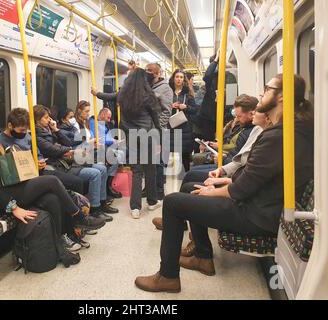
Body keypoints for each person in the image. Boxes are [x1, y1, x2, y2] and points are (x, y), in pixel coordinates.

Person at [135, 74, 314, 293]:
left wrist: (212, 191)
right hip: (261, 205)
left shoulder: (279, 136)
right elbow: (253, 178)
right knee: (192, 188)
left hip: (256, 214)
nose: (261, 93)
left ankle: (168, 276)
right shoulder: (289, 131)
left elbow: (241, 189)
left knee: (173, 202)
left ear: (282, 97)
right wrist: (214, 187)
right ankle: (203, 257)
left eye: (267, 89)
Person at [0, 106, 81, 266]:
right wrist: (13, 207)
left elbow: (1, 175)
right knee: (51, 181)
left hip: (1, 191)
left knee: (51, 199)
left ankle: (60, 250)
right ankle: (78, 215)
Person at [0, 108, 105, 233]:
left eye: (26, 130)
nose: (24, 133)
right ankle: (78, 220)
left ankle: (76, 226)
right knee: (54, 185)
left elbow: (37, 154)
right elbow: (4, 169)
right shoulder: (0, 142)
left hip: (39, 171)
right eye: (21, 130)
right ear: (10, 126)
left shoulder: (27, 136)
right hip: (21, 181)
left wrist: (39, 161)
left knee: (74, 183)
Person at [34, 104, 118, 222]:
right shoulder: (36, 135)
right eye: (46, 117)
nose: (49, 120)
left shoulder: (50, 131)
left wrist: (56, 130)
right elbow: (54, 149)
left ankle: (102, 202)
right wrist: (70, 150)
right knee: (95, 173)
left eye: (49, 117)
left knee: (103, 168)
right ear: (37, 120)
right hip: (61, 164)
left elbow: (67, 141)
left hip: (69, 159)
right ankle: (95, 208)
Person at [117, 68, 162, 219]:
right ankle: (152, 202)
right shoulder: (148, 96)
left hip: (132, 137)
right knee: (150, 170)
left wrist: (96, 93)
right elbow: (156, 120)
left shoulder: (123, 97)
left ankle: (135, 208)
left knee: (136, 171)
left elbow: (109, 96)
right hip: (147, 135)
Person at [190, 94, 257, 174]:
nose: (237, 119)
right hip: (227, 160)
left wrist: (222, 158)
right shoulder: (242, 126)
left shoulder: (251, 131)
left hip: (231, 167)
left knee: (191, 174)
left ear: (251, 114)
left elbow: (238, 161)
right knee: (192, 171)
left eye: (239, 116)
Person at [144, 63, 173, 199]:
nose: (146, 72)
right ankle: (149, 189)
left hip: (158, 130)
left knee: (158, 162)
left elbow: (166, 111)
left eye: (149, 71)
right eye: (145, 70)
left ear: (156, 74)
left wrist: (158, 129)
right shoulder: (146, 86)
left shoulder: (165, 89)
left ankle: (159, 191)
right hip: (145, 129)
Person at [89, 107, 124, 199]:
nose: (109, 120)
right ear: (102, 114)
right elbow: (101, 139)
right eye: (108, 117)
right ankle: (107, 187)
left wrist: (114, 140)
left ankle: (108, 185)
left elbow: (106, 137)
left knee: (121, 153)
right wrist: (113, 141)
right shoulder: (94, 123)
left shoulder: (103, 124)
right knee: (116, 157)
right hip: (97, 148)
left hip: (104, 147)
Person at [168, 70, 199, 172]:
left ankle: (186, 174)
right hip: (171, 127)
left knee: (185, 153)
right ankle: (173, 175)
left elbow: (194, 110)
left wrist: (185, 107)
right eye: (177, 77)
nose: (179, 79)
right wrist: (170, 106)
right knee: (172, 152)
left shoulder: (188, 94)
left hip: (184, 128)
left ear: (183, 80)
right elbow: (160, 107)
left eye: (181, 77)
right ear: (173, 78)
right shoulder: (168, 93)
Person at [193, 53, 220, 142]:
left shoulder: (225, 77)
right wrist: (215, 61)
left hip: (219, 115)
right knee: (209, 140)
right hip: (208, 116)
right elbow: (207, 76)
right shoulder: (211, 79)